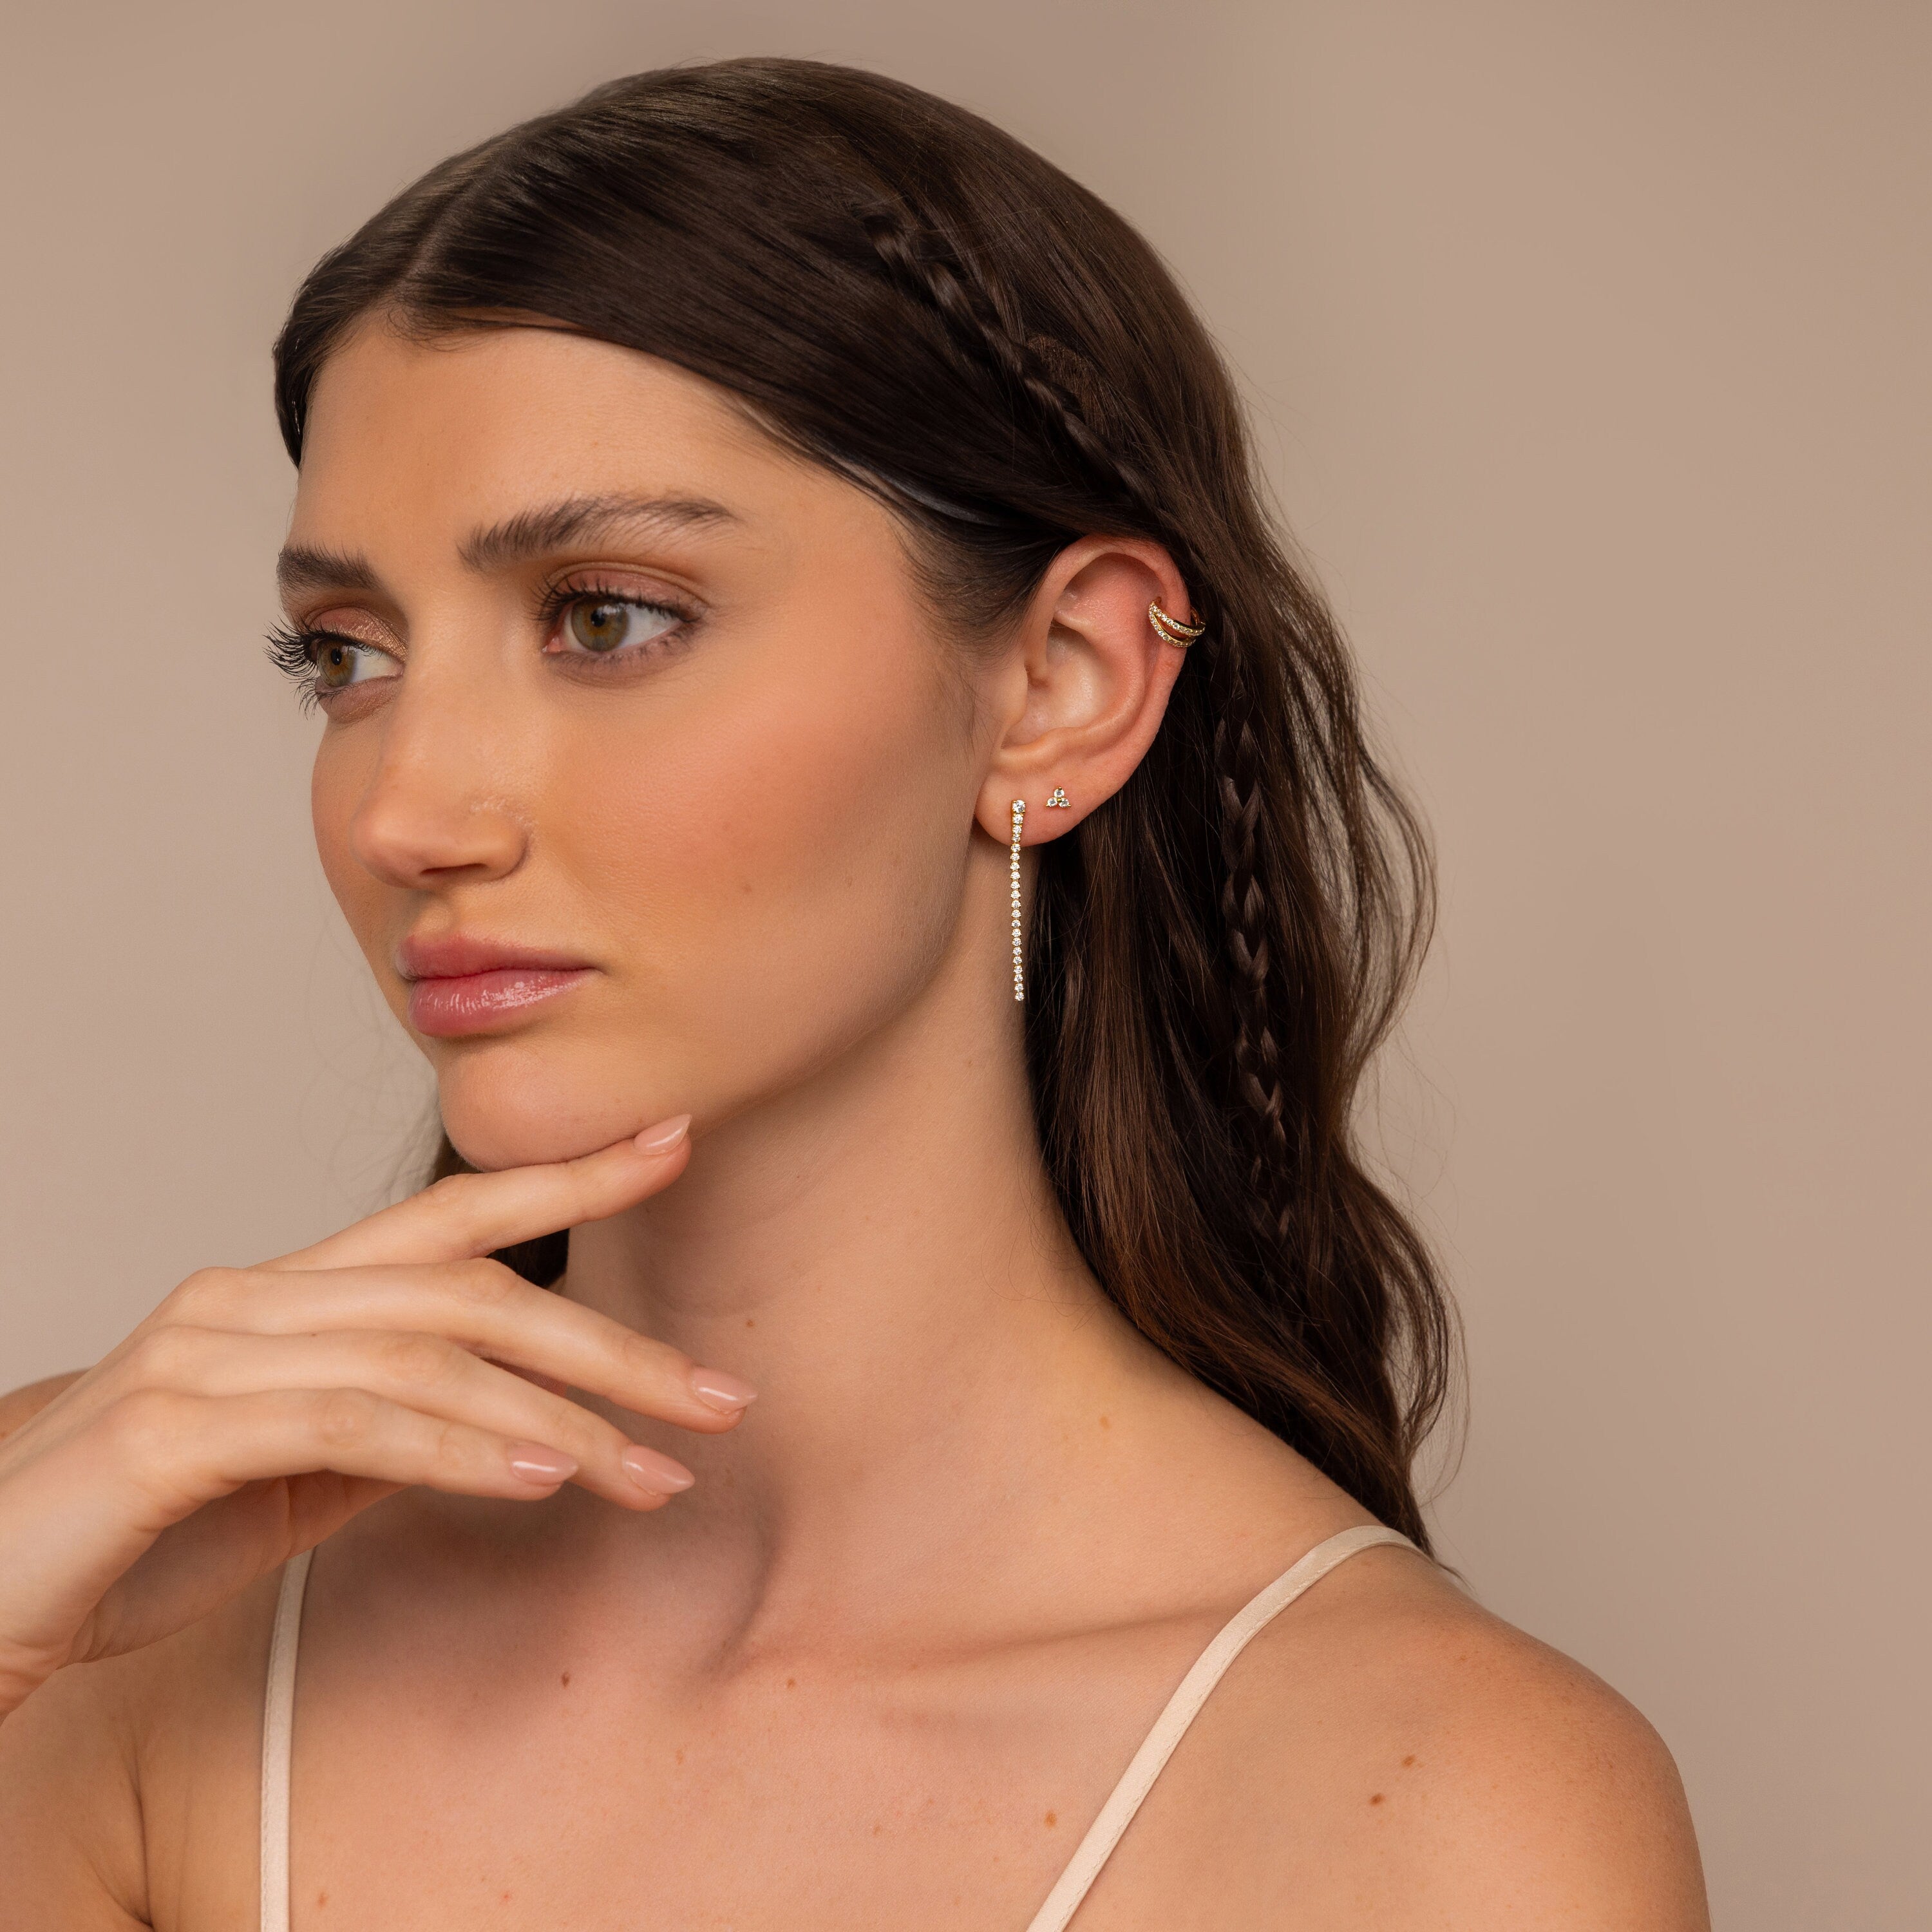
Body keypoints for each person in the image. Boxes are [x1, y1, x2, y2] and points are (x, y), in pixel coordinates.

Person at [0, 58, 1709, 1930]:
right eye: (348, 654)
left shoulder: (1433, 1812)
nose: (405, 808)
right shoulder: (106, 1591)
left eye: (607, 617)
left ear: (1059, 684)